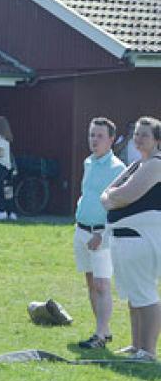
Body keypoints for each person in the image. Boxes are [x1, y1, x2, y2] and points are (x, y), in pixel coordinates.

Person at [101, 116, 161, 361]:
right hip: (125, 239)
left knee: (145, 295)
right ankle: (136, 345)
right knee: (134, 296)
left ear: (157, 140)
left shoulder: (156, 164)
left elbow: (126, 194)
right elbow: (107, 193)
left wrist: (111, 196)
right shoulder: (137, 165)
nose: (138, 139)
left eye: (144, 135)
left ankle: (148, 350)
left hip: (142, 239)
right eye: (136, 134)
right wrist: (111, 196)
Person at [72, 117, 126, 349]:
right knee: (90, 282)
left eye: (100, 136)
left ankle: (100, 336)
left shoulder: (118, 168)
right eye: (92, 135)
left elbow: (118, 205)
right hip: (81, 230)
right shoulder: (88, 162)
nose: (94, 140)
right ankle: (103, 329)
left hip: (101, 234)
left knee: (102, 284)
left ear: (111, 139)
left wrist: (101, 233)